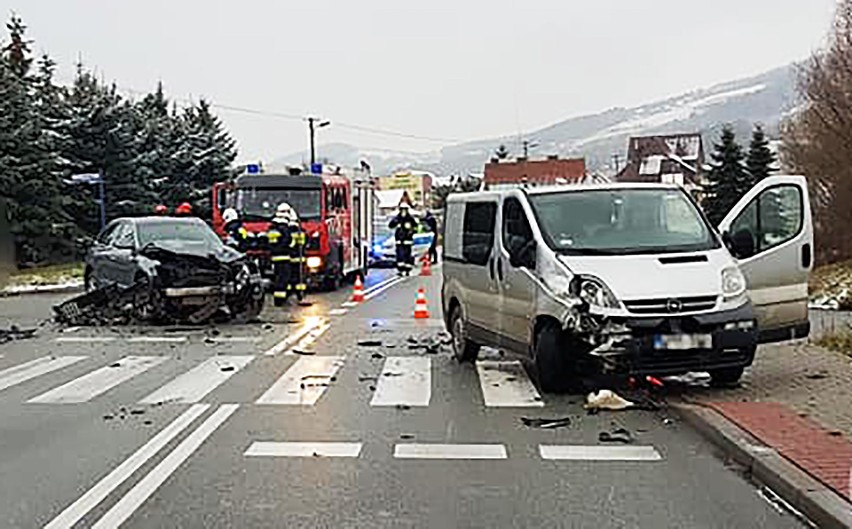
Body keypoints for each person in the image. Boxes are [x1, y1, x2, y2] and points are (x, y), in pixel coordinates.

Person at [269, 203, 294, 306]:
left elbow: (271, 242)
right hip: (284, 257)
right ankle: (281, 301)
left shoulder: (272, 227)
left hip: (275, 257)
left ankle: (280, 299)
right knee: (283, 279)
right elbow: (288, 242)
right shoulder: (284, 229)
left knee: (278, 278)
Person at [389, 203, 417, 276]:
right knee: (400, 256)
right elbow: (390, 225)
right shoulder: (397, 218)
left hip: (408, 241)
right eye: (402, 209)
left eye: (405, 209)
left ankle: (407, 270)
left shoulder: (410, 219)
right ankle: (401, 270)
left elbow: (416, 227)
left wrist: (411, 231)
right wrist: (395, 223)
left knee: (407, 255)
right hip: (399, 241)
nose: (403, 211)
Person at [287, 207, 307, 296]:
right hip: (300, 258)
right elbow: (305, 243)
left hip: (289, 258)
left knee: (289, 276)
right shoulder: (301, 231)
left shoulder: (287, 232)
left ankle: (290, 292)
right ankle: (300, 294)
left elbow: (288, 244)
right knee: (299, 277)